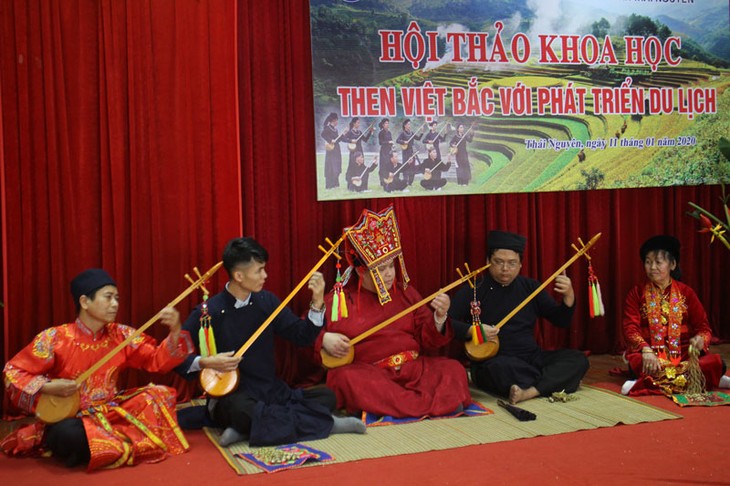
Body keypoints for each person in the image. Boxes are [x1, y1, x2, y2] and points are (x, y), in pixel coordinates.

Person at [175, 237, 365, 447]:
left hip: (269, 390)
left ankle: (245, 430)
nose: (265, 276)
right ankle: (327, 424)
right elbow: (179, 358)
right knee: (241, 410)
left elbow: (302, 335)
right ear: (239, 275)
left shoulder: (267, 301)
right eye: (259, 271)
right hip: (233, 395)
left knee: (326, 396)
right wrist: (207, 362)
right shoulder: (208, 311)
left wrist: (318, 301)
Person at [2, 269, 193, 470]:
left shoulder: (122, 335)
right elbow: (13, 371)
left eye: (117, 298)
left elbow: (156, 360)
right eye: (108, 297)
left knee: (159, 394)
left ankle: (106, 446)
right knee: (68, 435)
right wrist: (48, 386)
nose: (115, 304)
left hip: (111, 410)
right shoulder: (55, 338)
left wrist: (175, 331)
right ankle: (122, 443)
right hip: (73, 417)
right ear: (85, 302)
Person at [315, 206, 471, 418]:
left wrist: (439, 318)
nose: (389, 274)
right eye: (380, 269)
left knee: (453, 369)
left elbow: (429, 339)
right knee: (343, 378)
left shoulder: (406, 293)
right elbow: (308, 329)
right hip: (371, 373)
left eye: (391, 266)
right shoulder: (340, 300)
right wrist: (325, 339)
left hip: (413, 369)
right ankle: (435, 404)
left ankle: (401, 407)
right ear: (362, 271)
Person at [449, 230, 589, 404]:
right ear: (487, 262)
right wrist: (473, 330)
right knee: (499, 370)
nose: (505, 268)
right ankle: (555, 382)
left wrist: (569, 297)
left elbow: (561, 320)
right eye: (498, 262)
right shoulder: (474, 289)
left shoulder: (530, 287)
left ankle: (529, 391)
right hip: (495, 360)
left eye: (512, 263)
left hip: (531, 357)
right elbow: (447, 324)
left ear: (521, 264)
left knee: (578, 360)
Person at [621, 235, 729, 396]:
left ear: (672, 264)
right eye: (648, 262)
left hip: (683, 353)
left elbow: (703, 327)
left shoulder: (687, 293)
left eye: (658, 262)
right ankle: (704, 379)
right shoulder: (636, 293)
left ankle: (646, 382)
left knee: (717, 363)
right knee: (637, 362)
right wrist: (645, 350)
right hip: (651, 355)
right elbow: (630, 328)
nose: (652, 267)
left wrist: (701, 340)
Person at [395, 119, 422, 186]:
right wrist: (404, 142)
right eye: (408, 124)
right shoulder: (402, 133)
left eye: (410, 124)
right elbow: (397, 140)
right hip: (405, 153)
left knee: (412, 167)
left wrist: (422, 132)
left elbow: (418, 138)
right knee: (406, 167)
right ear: (405, 125)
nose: (409, 125)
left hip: (412, 152)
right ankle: (405, 182)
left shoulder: (412, 133)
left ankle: (410, 183)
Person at [321, 112, 344, 189]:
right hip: (331, 151)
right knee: (331, 167)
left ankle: (335, 184)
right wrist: (330, 140)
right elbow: (323, 135)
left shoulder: (335, 129)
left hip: (337, 150)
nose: (337, 122)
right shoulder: (327, 128)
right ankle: (329, 185)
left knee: (337, 166)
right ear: (333, 120)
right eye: (336, 120)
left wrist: (343, 135)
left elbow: (337, 140)